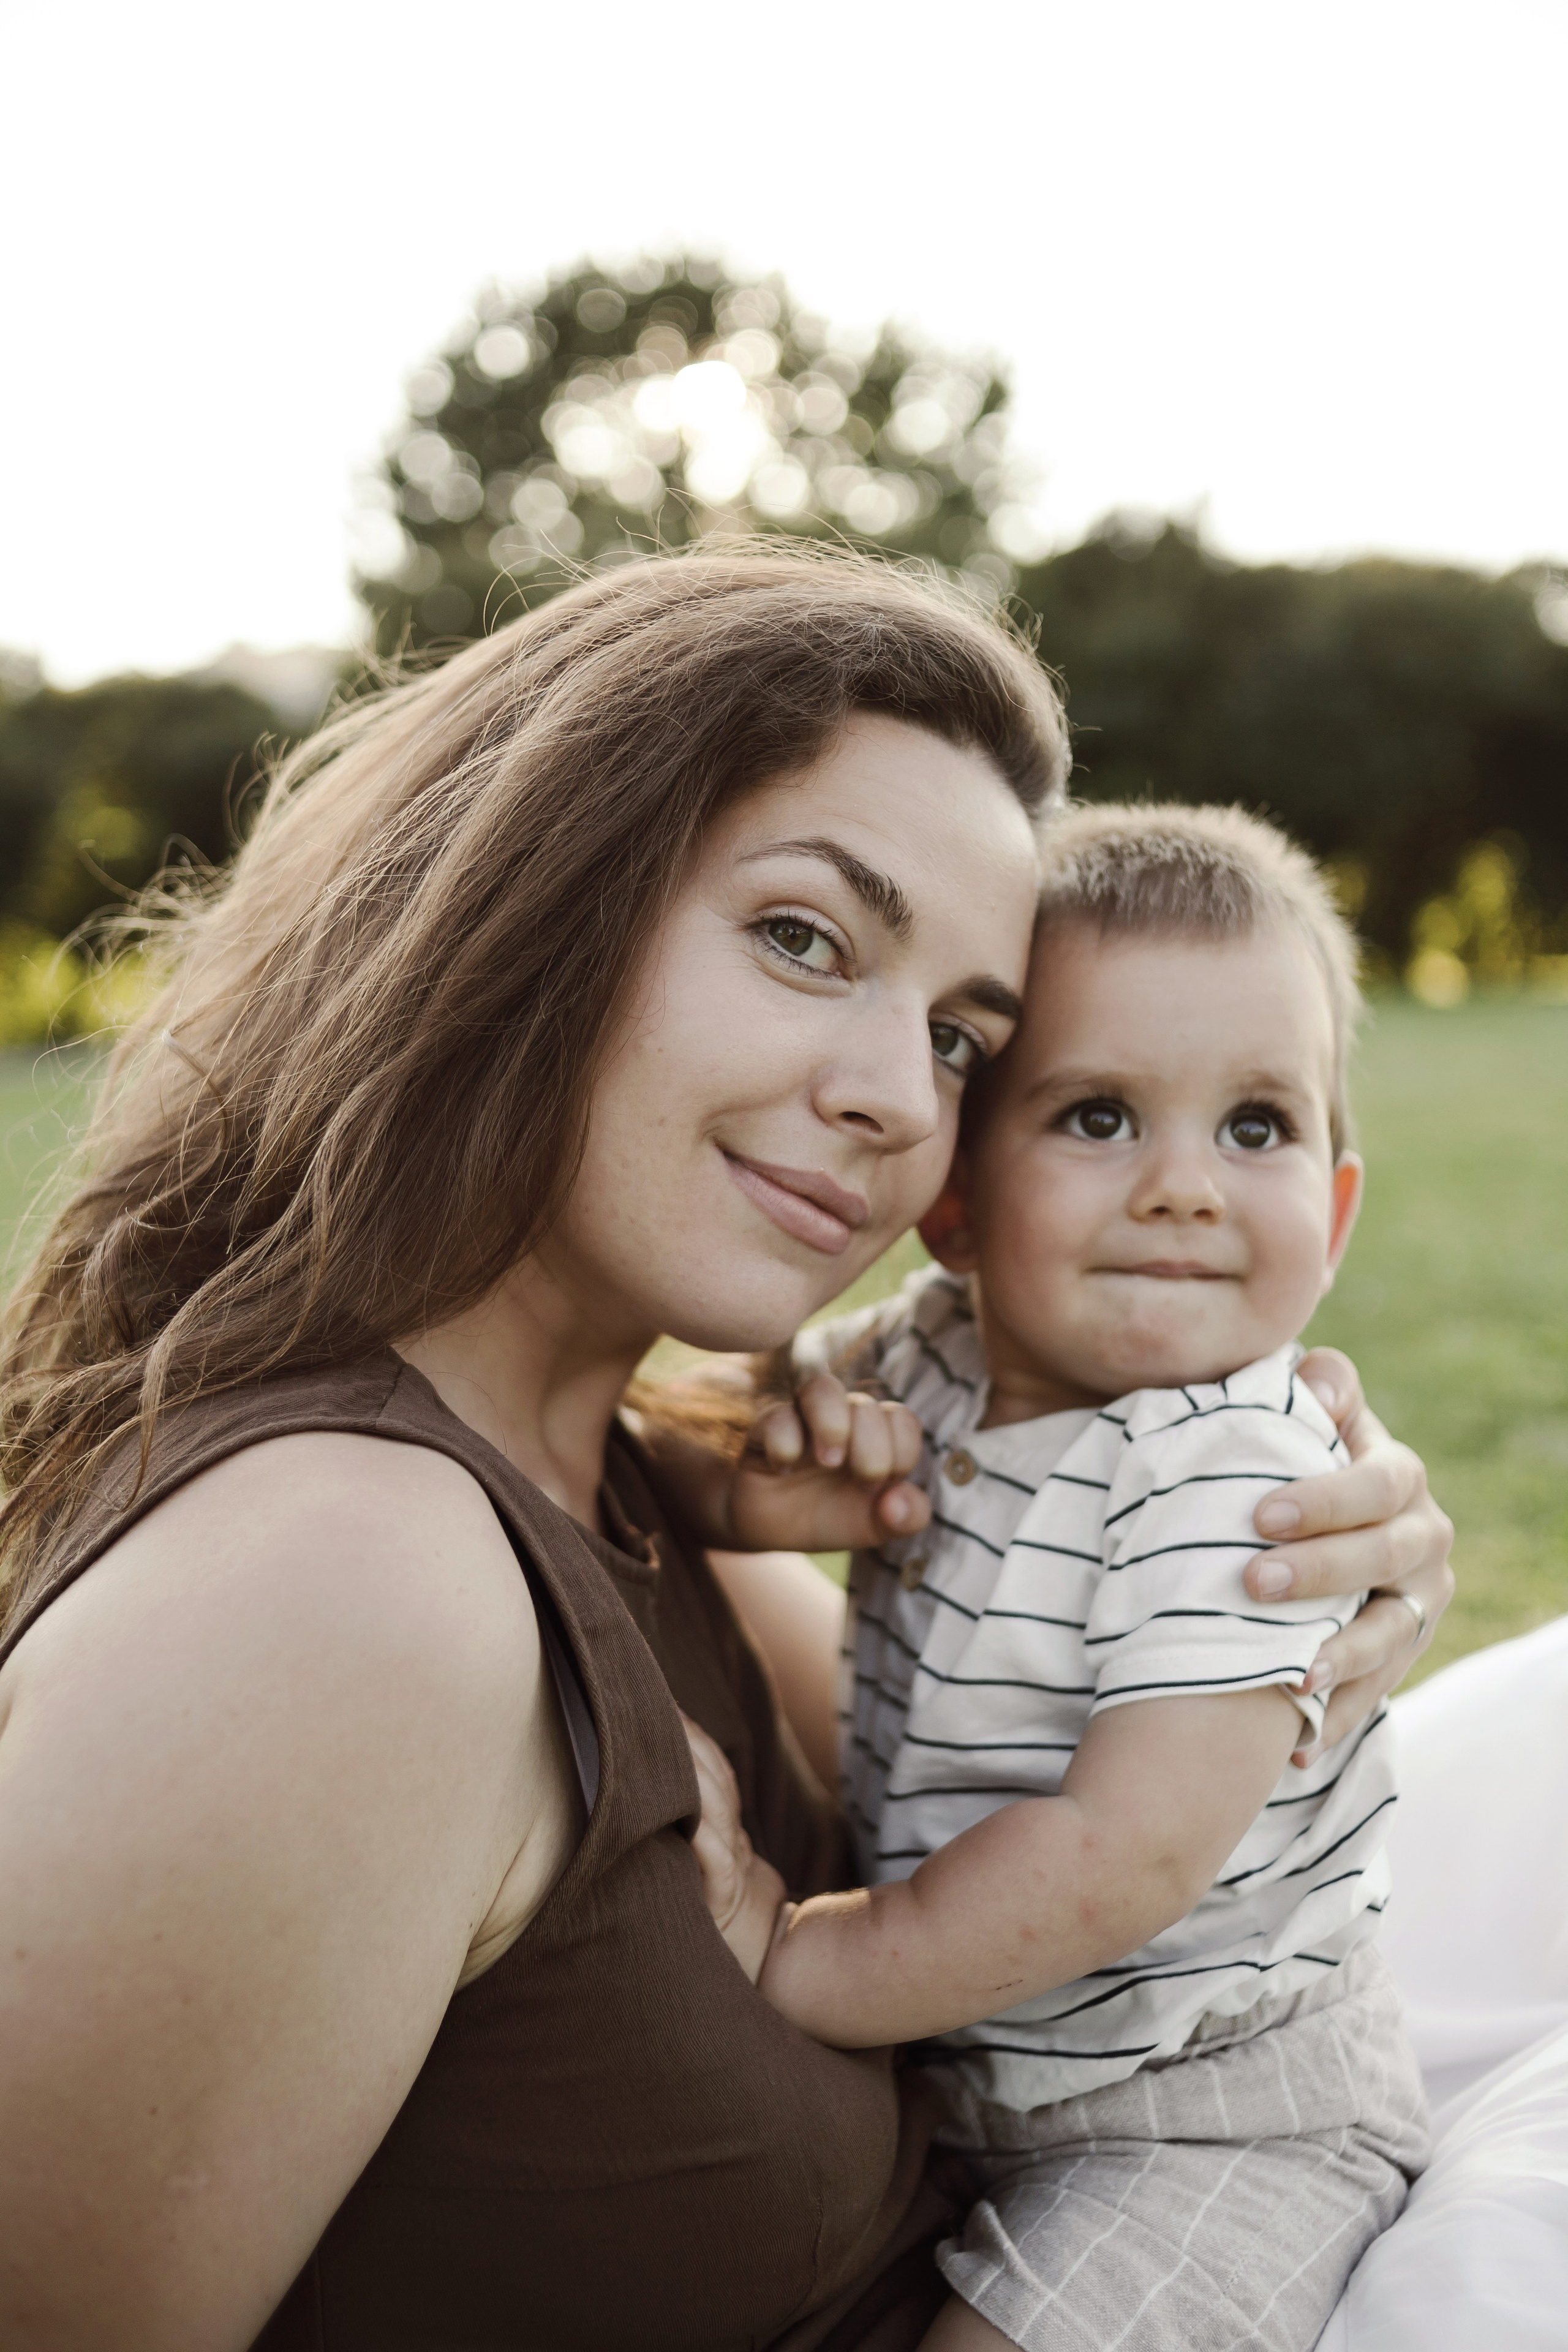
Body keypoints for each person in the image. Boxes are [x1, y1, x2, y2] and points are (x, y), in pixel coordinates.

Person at [0, 548, 1452, 2352]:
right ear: (530, 900)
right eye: (800, 939)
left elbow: (1007, 1780)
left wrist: (1311, 1541)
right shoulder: (346, 1582)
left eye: (956, 1039)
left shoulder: (620, 1466)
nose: (896, 1098)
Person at [681, 804, 1431, 2351]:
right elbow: (693, 1436)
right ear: (950, 1201)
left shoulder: (1232, 1474)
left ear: (1333, 1210)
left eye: (1255, 1126)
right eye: (1098, 1119)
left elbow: (1122, 1853)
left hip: (1204, 2123)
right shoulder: (927, 1355)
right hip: (996, 2072)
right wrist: (760, 1450)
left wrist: (797, 1954)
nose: (1182, 1187)